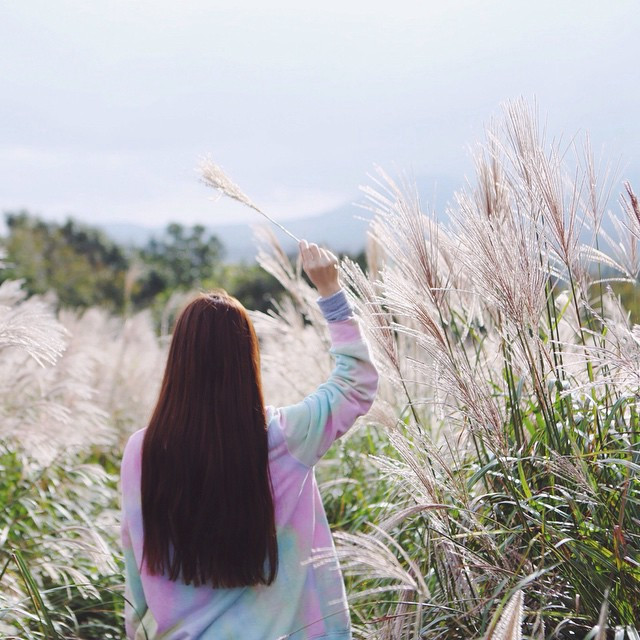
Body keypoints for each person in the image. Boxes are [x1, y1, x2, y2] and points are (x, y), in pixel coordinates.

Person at [120, 240, 379, 640]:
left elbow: (135, 559)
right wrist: (330, 292)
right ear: (248, 360)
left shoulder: (143, 451)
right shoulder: (286, 437)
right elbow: (356, 383)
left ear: (178, 362)